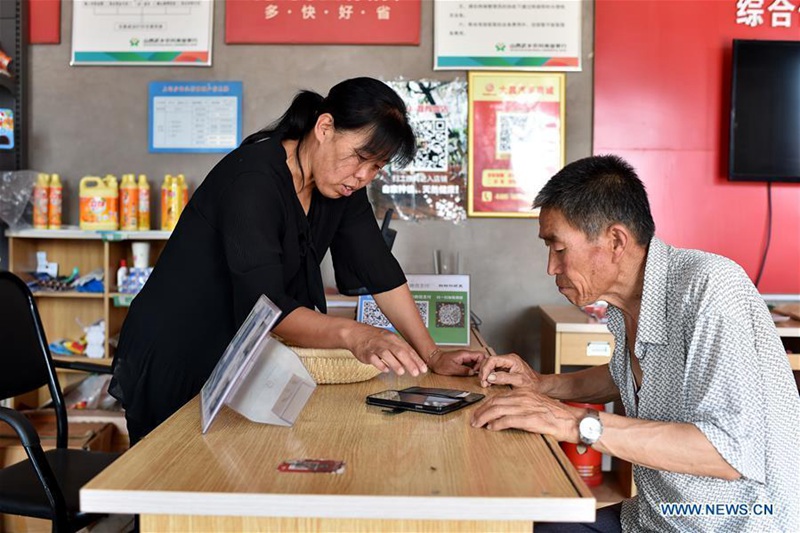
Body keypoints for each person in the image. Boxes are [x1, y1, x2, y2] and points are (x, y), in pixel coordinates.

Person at [110, 77, 485, 444]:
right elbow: (267, 306)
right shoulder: (252, 179)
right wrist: (357, 335)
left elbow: (378, 268)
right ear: (325, 127)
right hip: (178, 348)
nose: (362, 176)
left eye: (376, 168)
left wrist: (432, 353)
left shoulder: (341, 186)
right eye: (360, 158)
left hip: (235, 355)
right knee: (174, 477)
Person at [471, 155, 800, 532]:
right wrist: (542, 385)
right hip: (654, 518)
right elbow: (629, 377)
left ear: (615, 241)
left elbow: (727, 451)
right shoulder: (625, 304)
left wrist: (574, 422)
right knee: (537, 527)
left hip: (729, 525)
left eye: (559, 248)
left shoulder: (711, 289)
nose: (551, 267)